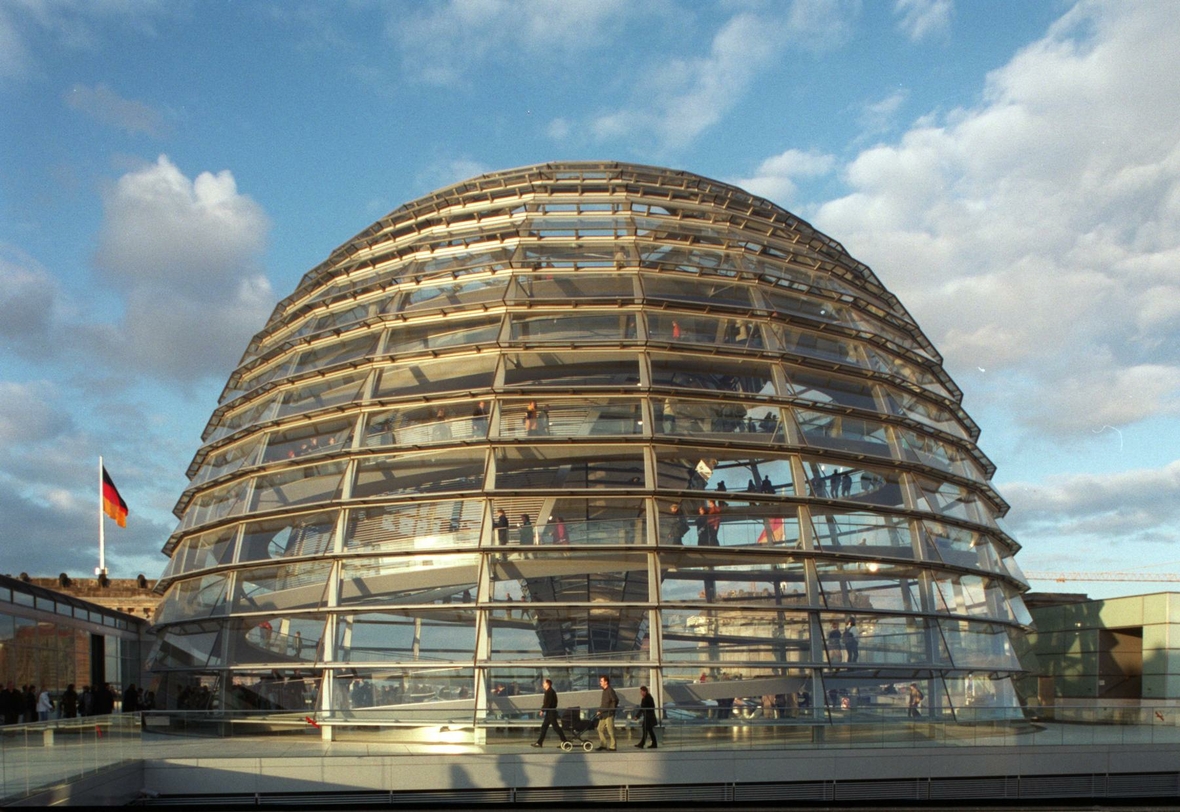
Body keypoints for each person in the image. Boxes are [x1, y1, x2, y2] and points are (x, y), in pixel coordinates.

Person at [532, 678, 569, 748]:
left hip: (551, 712)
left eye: (544, 683)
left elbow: (547, 703)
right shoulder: (549, 691)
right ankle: (539, 742)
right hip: (549, 712)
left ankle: (565, 741)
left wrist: (542, 710)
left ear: (547, 684)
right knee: (544, 727)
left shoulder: (550, 692)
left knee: (556, 727)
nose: (543, 684)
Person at [595, 675, 618, 751]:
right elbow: (604, 703)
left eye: (601, 681)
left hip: (608, 714)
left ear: (606, 682)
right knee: (600, 729)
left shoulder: (610, 690)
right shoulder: (604, 691)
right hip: (603, 713)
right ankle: (603, 744)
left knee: (610, 730)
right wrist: (599, 710)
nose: (600, 682)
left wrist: (611, 710)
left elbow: (615, 700)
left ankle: (613, 746)